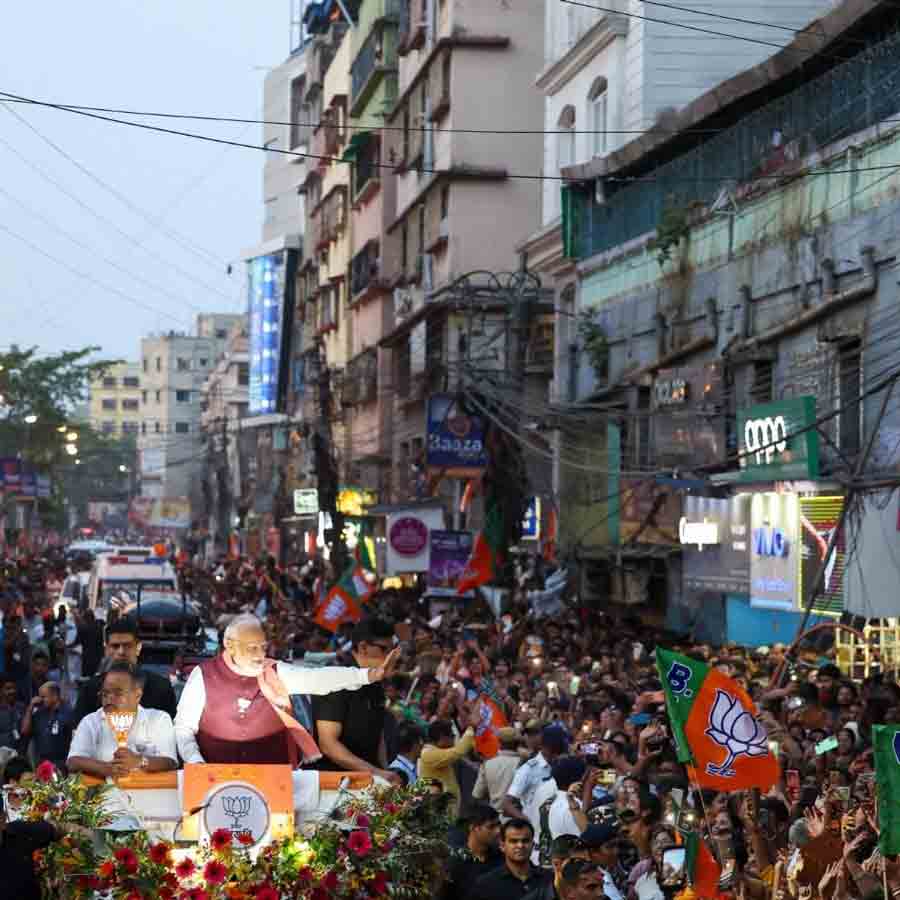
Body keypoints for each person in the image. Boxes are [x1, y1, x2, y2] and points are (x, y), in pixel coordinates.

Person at [176, 614, 399, 767]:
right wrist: (195, 761)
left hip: (273, 783)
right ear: (230, 646)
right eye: (252, 648)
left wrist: (369, 675)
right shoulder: (203, 675)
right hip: (213, 780)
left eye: (263, 648)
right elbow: (184, 728)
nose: (259, 655)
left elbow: (318, 679)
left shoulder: (274, 671)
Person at [311, 618, 402, 779]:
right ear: (363, 647)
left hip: (371, 779)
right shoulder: (335, 680)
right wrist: (377, 773)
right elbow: (328, 744)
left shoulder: (375, 682)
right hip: (336, 781)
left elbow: (378, 735)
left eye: (391, 650)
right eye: (384, 649)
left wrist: (384, 772)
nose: (389, 656)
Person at [67, 661, 178, 778]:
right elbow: (73, 761)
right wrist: (105, 768)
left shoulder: (159, 719)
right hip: (104, 789)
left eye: (117, 693)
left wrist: (139, 761)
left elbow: (170, 762)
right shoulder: (90, 721)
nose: (109, 698)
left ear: (137, 695)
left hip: (150, 788)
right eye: (105, 693)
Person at [72, 621, 177, 726]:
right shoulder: (90, 690)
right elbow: (80, 731)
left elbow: (170, 731)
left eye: (127, 646)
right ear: (107, 650)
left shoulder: (161, 689)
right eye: (115, 646)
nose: (121, 652)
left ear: (138, 647)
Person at [418, 714, 480, 818]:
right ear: (443, 737)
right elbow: (459, 751)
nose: (454, 739)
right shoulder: (428, 754)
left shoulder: (437, 751)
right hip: (438, 815)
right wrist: (471, 728)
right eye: (452, 736)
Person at [470, 818, 547, 900]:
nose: (520, 845)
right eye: (513, 841)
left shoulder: (548, 879)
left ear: (533, 845)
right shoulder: (486, 884)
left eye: (525, 841)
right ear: (502, 846)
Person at [503, 726, 567, 820]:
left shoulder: (562, 766)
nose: (558, 753)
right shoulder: (528, 769)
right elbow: (507, 803)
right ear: (544, 746)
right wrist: (528, 822)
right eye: (554, 749)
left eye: (561, 749)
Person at [443, 804, 503, 900]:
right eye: (491, 827)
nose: (498, 831)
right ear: (473, 828)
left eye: (499, 824)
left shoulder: (502, 858)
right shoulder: (455, 863)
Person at [473, 727, 524, 817]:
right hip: (519, 816)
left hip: (495, 816)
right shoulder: (523, 764)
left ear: (499, 742)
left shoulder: (487, 764)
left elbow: (477, 794)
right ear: (517, 744)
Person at [20, 681, 73, 769]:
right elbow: (24, 731)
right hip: (41, 763)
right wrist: (30, 708)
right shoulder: (39, 714)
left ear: (55, 696)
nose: (39, 700)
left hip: (61, 763)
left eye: (43, 697)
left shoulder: (68, 713)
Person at [77, 610, 104, 679]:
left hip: (87, 655)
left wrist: (67, 645)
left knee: (86, 676)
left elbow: (78, 641)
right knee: (96, 675)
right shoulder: (100, 627)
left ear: (86, 618)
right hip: (98, 655)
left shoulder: (82, 628)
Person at [0, 677, 24, 751]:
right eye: (8, 688)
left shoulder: (21, 707)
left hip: (19, 751)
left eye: (14, 688)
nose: (12, 691)